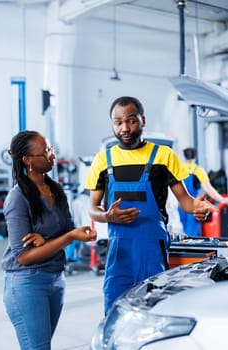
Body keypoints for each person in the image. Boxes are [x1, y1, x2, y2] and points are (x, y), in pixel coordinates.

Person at [85, 96, 214, 314]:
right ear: (113, 124)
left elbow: (185, 201)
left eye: (131, 120)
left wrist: (198, 208)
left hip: (152, 249)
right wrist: (108, 217)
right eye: (118, 123)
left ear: (143, 120)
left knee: (154, 309)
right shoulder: (102, 160)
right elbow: (93, 208)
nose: (125, 128)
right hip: (119, 252)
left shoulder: (163, 156)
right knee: (115, 309)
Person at [1, 130, 97, 350]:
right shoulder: (17, 198)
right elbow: (24, 257)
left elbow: (69, 229)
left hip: (55, 279)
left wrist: (48, 240)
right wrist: (67, 237)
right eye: (45, 151)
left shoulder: (56, 189)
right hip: (27, 282)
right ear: (28, 161)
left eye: (50, 148)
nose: (52, 155)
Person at [178, 147, 228, 236]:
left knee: (182, 233)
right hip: (193, 206)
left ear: (184, 156)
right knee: (192, 235)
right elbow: (208, 189)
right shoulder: (198, 170)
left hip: (180, 206)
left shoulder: (178, 168)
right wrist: (222, 200)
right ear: (195, 157)